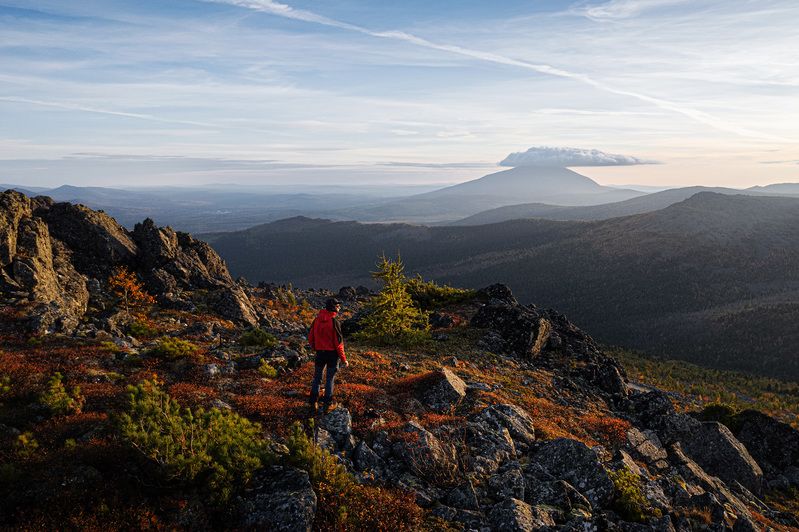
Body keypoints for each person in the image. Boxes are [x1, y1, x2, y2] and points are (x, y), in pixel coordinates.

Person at [308, 297, 349, 412]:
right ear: (333, 307)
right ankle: (327, 404)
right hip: (332, 355)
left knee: (317, 378)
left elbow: (310, 338)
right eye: (337, 305)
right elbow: (339, 344)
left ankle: (313, 402)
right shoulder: (334, 322)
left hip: (320, 353)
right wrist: (344, 359)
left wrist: (316, 348)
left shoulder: (316, 320)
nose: (339, 307)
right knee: (330, 379)